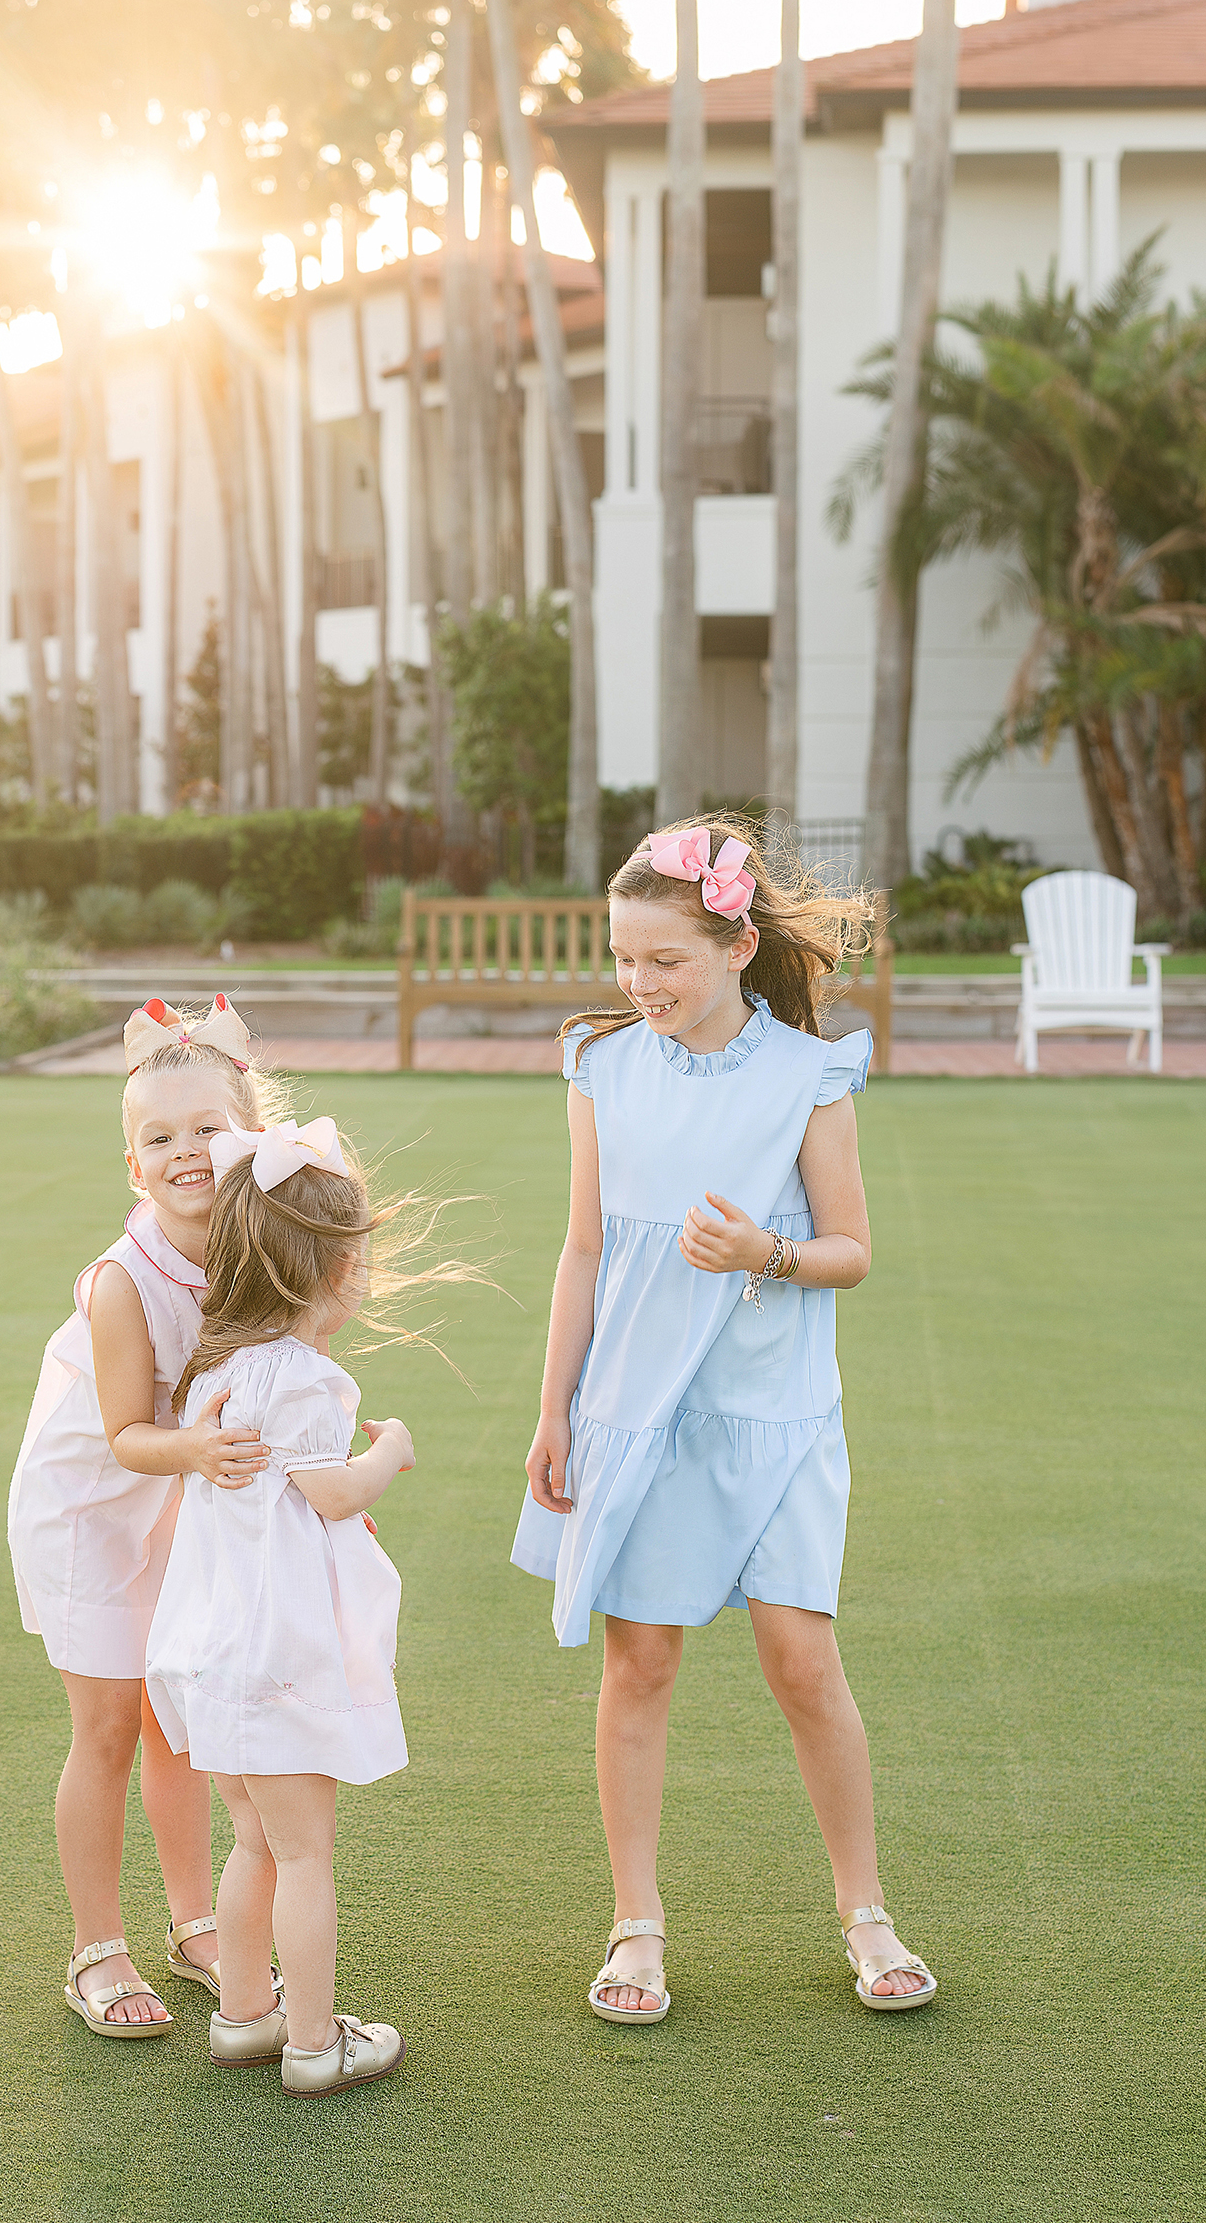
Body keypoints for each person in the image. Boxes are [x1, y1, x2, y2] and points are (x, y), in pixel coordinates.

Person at [515, 820, 937, 2024]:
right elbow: (585, 1243)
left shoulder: (810, 1072)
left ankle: (865, 1910)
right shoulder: (600, 1065)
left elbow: (850, 1251)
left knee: (804, 1665)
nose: (640, 985)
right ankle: (635, 1925)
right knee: (639, 1663)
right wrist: (554, 1409)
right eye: (624, 958)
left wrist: (769, 1253)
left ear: (737, 943)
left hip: (775, 1416)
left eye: (667, 960)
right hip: (636, 1413)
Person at [9, 996, 290, 2038]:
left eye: (208, 1128)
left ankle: (192, 1922)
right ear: (133, 1167)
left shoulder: (254, 1241)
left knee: (182, 1718)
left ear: (249, 1135)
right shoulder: (122, 1282)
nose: (185, 1151)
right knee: (111, 1725)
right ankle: (98, 1947)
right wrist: (205, 1456)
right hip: (89, 1508)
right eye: (158, 1137)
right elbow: (129, 1431)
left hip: (175, 1494)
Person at [146, 1115, 434, 2098]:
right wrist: (387, 1452)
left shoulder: (217, 1371)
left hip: (209, 1650)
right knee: (306, 1850)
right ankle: (314, 2041)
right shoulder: (307, 1381)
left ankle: (243, 2013)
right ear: (333, 1270)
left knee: (254, 1838)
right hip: (275, 1655)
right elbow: (332, 1493)